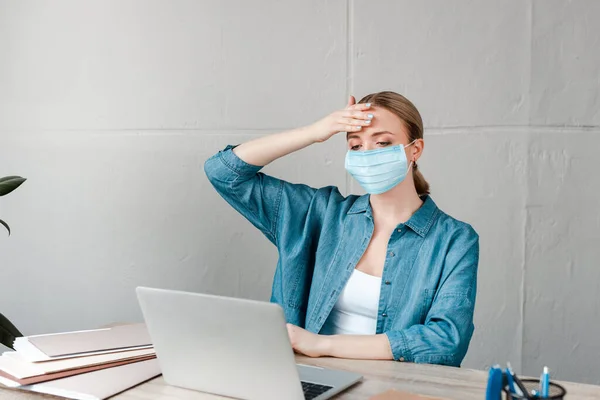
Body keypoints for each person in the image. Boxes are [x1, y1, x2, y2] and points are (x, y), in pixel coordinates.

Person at [204, 91, 479, 367]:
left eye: (382, 142)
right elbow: (223, 173)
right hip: (308, 379)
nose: (367, 154)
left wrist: (321, 344)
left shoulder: (454, 240)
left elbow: (446, 340)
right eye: (356, 146)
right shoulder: (320, 213)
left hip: (395, 389)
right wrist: (314, 132)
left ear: (415, 149)